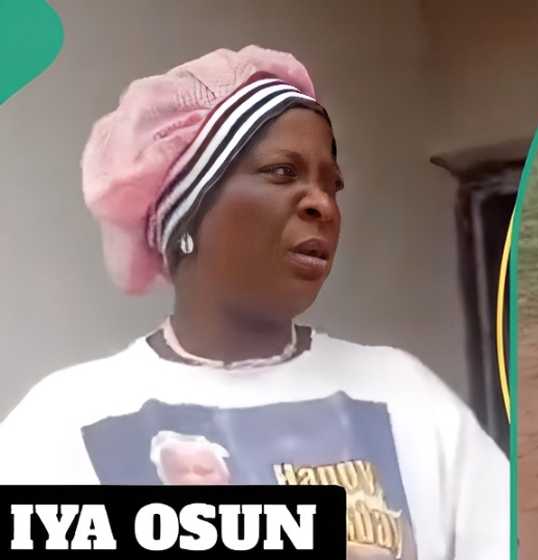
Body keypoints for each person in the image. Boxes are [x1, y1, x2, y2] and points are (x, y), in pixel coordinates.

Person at [0, 46, 507, 560]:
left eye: (332, 185)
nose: (322, 205)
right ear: (189, 212)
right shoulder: (66, 419)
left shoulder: (402, 394)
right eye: (283, 173)